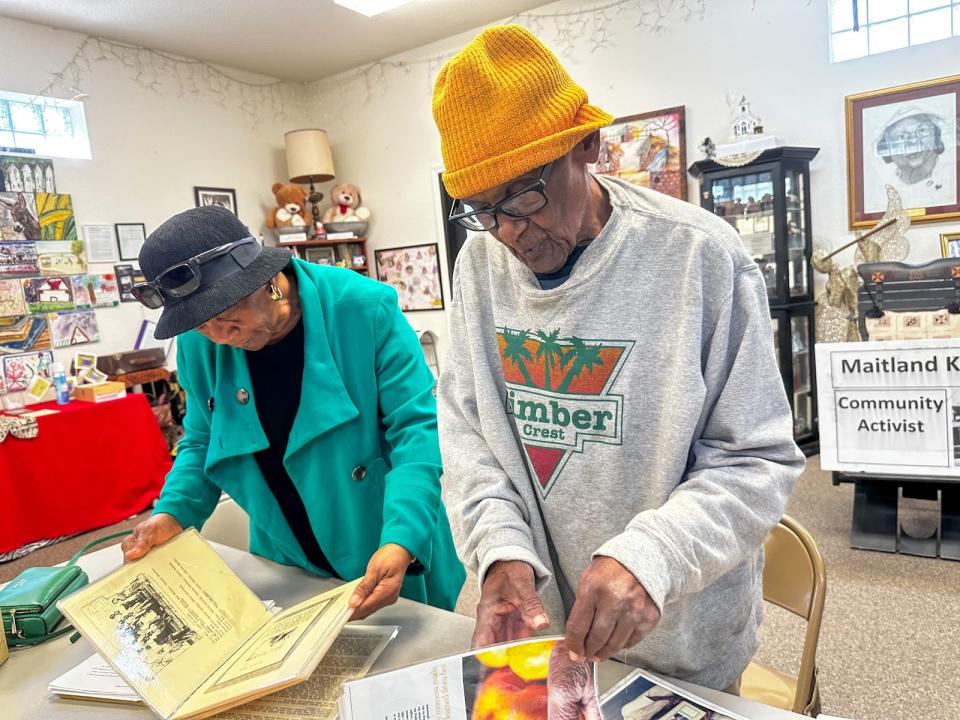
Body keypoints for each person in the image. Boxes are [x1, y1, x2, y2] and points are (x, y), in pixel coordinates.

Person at [433, 25, 804, 691]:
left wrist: (655, 555)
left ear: (587, 146)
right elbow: (467, 436)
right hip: (550, 642)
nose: (510, 231)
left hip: (685, 648)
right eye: (482, 209)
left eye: (523, 194)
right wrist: (499, 552)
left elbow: (757, 460)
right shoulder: (478, 266)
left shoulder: (700, 257)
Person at [121, 205, 465, 618]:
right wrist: (171, 512)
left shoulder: (365, 308)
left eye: (228, 320)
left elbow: (416, 431)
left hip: (381, 538)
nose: (220, 339)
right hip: (284, 552)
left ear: (267, 283)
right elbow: (201, 441)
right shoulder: (203, 342)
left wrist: (402, 538)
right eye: (202, 327)